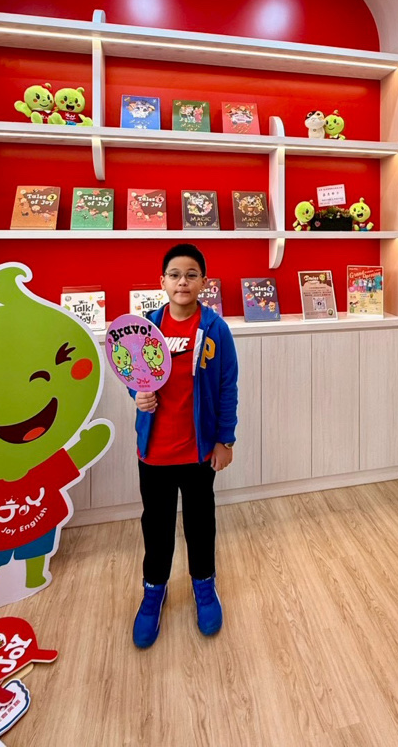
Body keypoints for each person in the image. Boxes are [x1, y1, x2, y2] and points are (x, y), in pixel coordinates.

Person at [130, 242, 239, 648]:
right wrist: (137, 396)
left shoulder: (215, 329)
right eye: (175, 275)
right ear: (162, 281)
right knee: (156, 526)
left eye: (191, 275)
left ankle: (204, 586)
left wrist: (225, 439)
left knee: (200, 522)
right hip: (154, 452)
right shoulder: (145, 328)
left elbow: (227, 387)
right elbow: (133, 376)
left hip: (198, 451)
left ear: (204, 282)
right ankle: (153, 592)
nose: (182, 282)